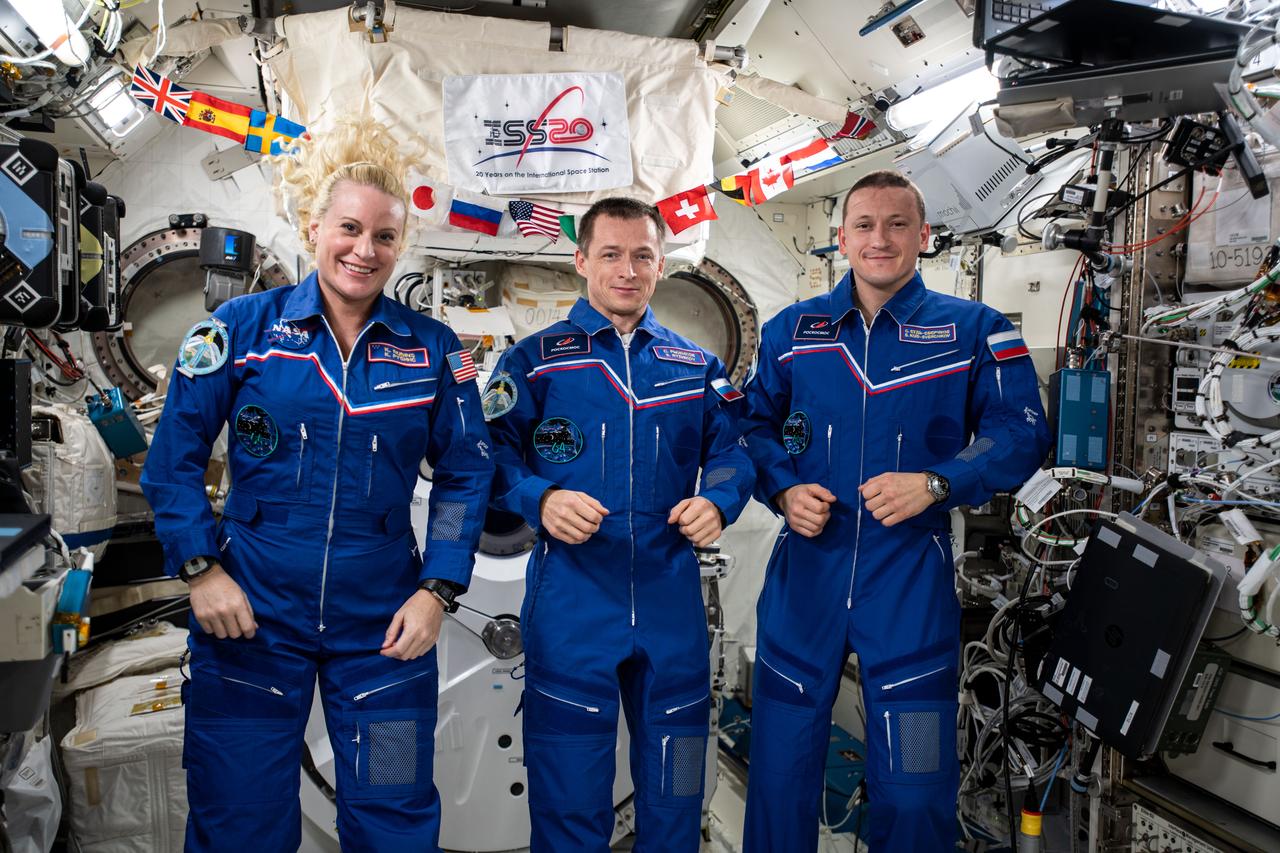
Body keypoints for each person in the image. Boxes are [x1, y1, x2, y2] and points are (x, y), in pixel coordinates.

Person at [140, 118, 494, 852]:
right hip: (251, 620)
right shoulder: (239, 330)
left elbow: (467, 473)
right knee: (238, 825)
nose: (365, 249)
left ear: (402, 246)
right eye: (349, 228)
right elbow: (172, 459)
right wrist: (201, 569)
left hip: (383, 633)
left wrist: (439, 590)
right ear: (313, 227)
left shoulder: (432, 350)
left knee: (393, 822)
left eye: (385, 236)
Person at [740, 169, 1050, 852]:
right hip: (805, 582)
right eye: (864, 226)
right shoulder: (793, 332)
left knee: (914, 787)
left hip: (909, 581)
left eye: (897, 224)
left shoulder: (974, 330)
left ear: (924, 237)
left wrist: (939, 482)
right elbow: (752, 428)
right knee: (780, 781)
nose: (880, 239)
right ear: (841, 238)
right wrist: (783, 489)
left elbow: (1023, 431)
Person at [484, 197, 754, 851]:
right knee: (570, 797)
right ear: (582, 260)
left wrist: (719, 500)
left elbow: (736, 451)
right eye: (610, 253)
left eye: (642, 255)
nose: (626, 269)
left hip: (671, 603)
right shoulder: (534, 361)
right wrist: (540, 497)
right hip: (576, 600)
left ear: (661, 264)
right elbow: (484, 452)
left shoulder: (697, 368)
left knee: (676, 792)